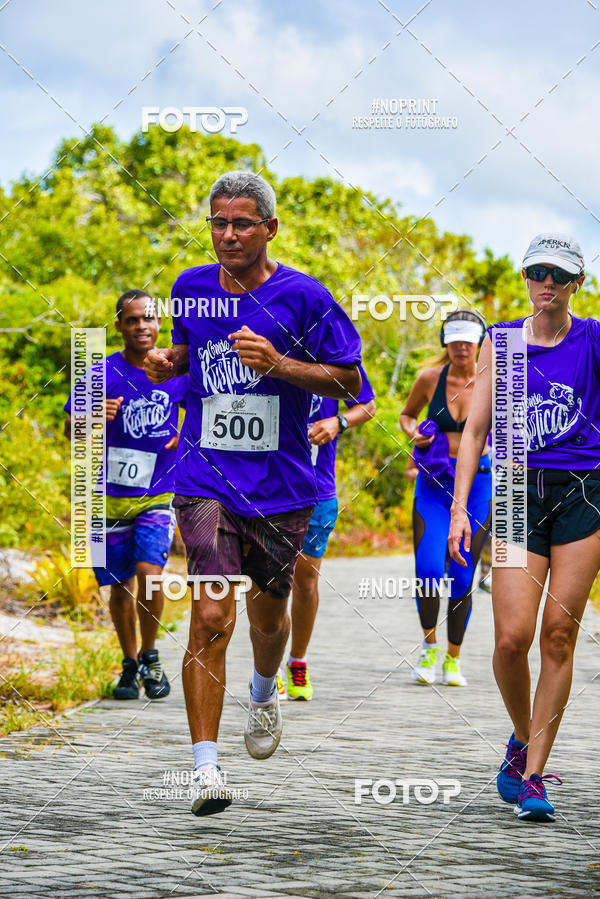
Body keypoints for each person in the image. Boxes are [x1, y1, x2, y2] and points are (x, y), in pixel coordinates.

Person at [144, 170, 363, 817]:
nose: (229, 234)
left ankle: (265, 688)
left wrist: (280, 365)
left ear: (270, 228)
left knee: (269, 618)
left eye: (242, 223)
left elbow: (350, 381)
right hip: (205, 476)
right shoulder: (190, 288)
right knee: (212, 615)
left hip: (282, 485)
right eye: (218, 222)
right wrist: (169, 365)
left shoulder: (306, 297)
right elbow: (188, 356)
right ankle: (205, 769)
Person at [449, 233, 600, 822]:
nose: (547, 284)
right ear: (525, 277)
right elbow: (475, 430)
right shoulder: (504, 341)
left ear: (576, 284)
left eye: (559, 275)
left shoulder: (591, 338)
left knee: (558, 636)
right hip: (513, 492)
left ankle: (535, 776)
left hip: (583, 491)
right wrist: (461, 507)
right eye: (537, 272)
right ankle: (521, 737)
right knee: (511, 640)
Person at [64, 290, 188, 700]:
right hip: (105, 495)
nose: (141, 327)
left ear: (159, 325)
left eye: (148, 319)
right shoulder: (100, 373)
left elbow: (204, 412)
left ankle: (151, 655)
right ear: (118, 325)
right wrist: (91, 417)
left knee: (150, 575)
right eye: (132, 320)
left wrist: (185, 436)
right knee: (119, 586)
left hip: (158, 492)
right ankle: (129, 662)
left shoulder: (175, 369)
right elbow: (70, 433)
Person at [400, 308, 492, 687]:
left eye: (467, 341)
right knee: (428, 571)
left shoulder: (493, 381)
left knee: (461, 574)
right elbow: (406, 416)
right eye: (453, 340)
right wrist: (415, 432)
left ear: (478, 343)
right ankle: (429, 649)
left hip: (479, 486)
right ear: (445, 342)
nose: (460, 347)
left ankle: (454, 657)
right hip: (435, 484)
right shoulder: (429, 379)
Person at [278, 367, 376, 701]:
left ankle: (297, 660)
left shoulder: (333, 351)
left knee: (305, 580)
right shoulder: (267, 342)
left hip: (317, 488)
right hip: (268, 486)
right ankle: (268, 666)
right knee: (269, 580)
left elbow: (368, 405)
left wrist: (339, 422)